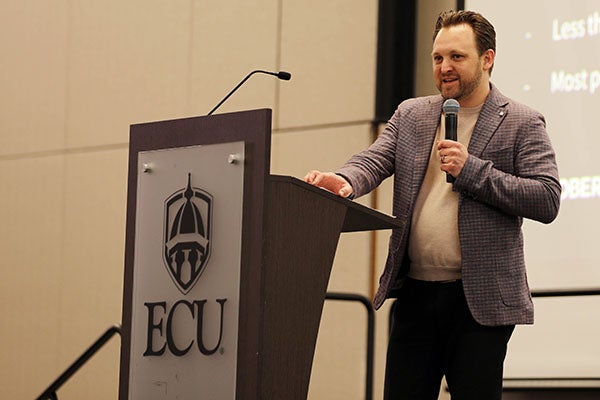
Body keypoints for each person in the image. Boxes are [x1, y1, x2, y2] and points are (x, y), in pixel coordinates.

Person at [304, 10, 561, 400]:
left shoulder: (522, 122)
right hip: (417, 295)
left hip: (478, 302)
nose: (444, 67)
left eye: (457, 57)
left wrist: (472, 170)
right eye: (438, 58)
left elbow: (546, 197)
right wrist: (343, 180)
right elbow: (374, 159)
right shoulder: (412, 114)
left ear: (487, 58)